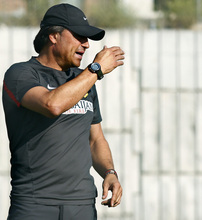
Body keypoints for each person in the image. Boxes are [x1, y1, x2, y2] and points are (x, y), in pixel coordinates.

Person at [2, 3, 124, 220]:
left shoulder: (84, 80)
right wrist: (95, 70)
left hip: (82, 205)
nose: (86, 45)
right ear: (54, 36)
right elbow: (52, 105)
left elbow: (95, 140)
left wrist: (109, 173)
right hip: (34, 205)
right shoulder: (20, 74)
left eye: (87, 39)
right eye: (79, 36)